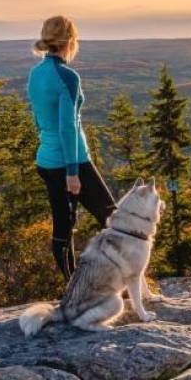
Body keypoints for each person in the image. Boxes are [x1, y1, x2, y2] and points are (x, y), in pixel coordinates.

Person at [27, 15, 116, 281]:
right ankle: (120, 282)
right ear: (71, 41)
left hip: (47, 159)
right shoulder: (67, 76)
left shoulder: (36, 73)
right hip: (71, 160)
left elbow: (38, 118)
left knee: (63, 226)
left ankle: (73, 286)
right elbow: (67, 126)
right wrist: (73, 172)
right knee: (113, 218)